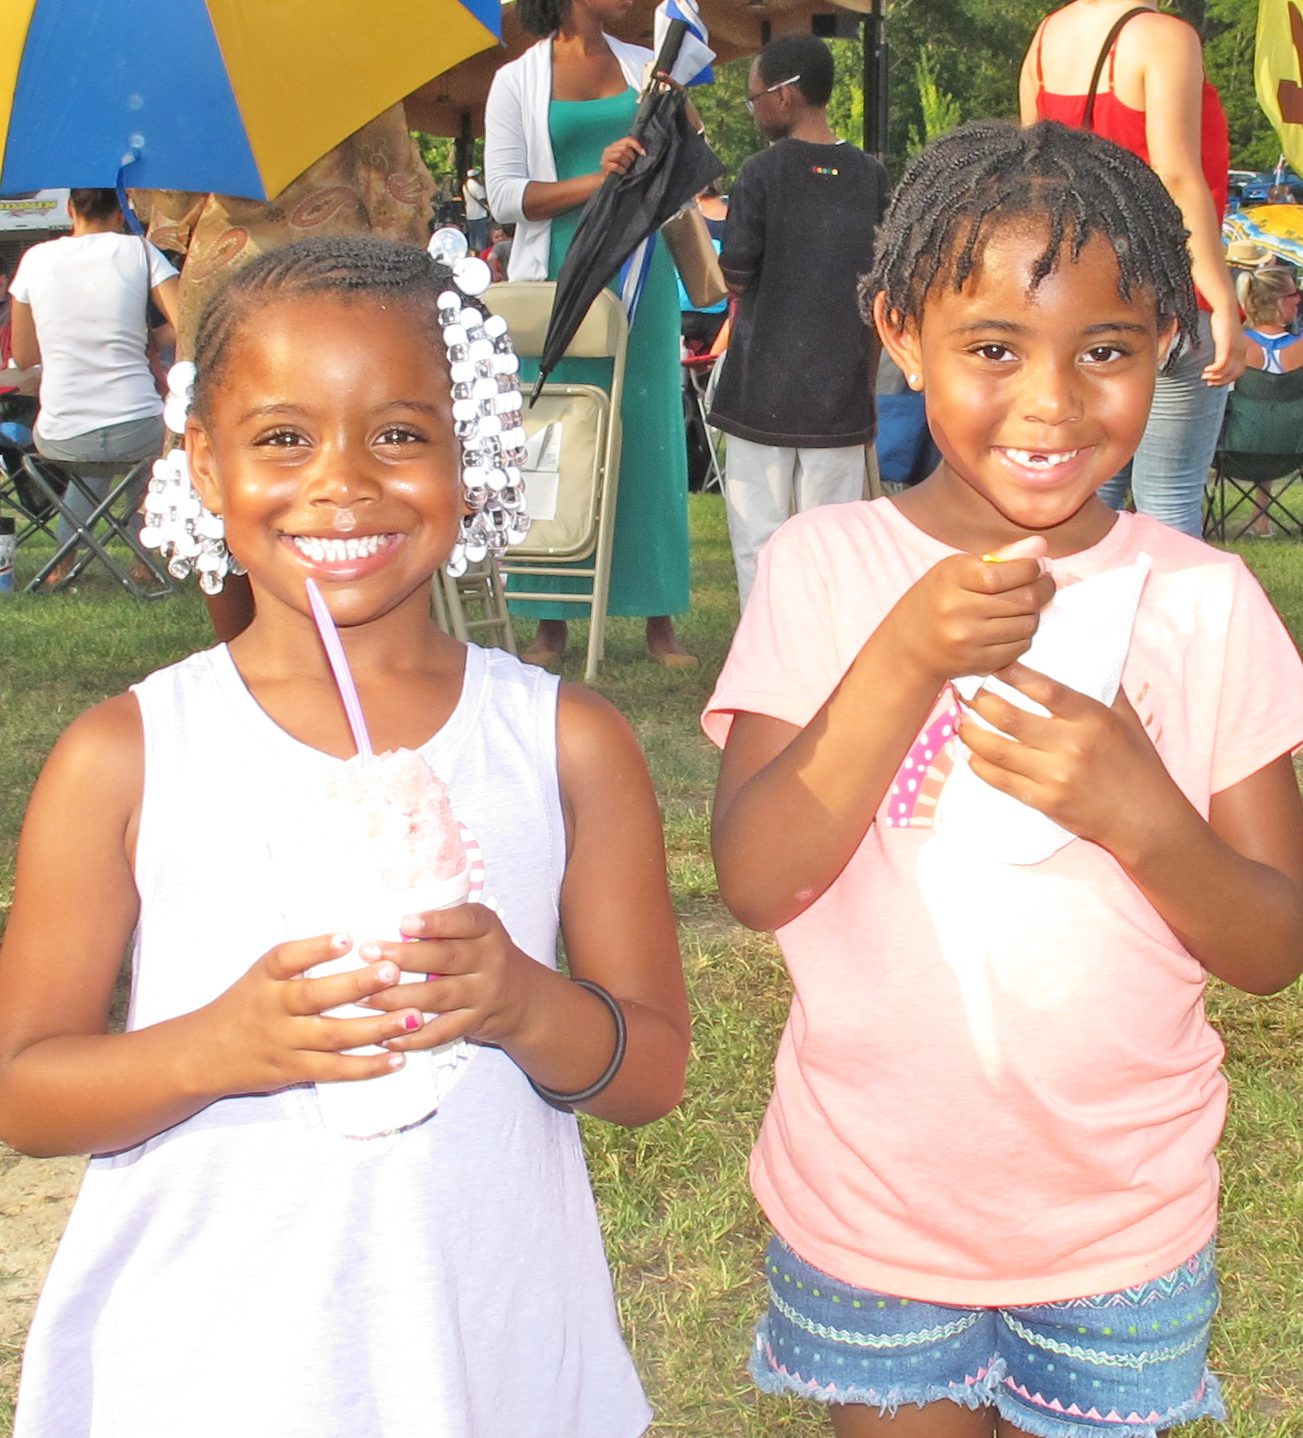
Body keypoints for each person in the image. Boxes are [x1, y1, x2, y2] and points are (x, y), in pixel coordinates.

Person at [0, 235, 690, 1437]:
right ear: (204, 464)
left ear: (471, 454)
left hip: (486, 1350)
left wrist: (522, 1002)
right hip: (209, 1374)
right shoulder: (126, 757)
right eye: (283, 437)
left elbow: (651, 1072)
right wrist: (220, 1046)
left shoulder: (566, 744)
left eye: (399, 434)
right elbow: (24, 1089)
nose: (344, 483)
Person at [704, 120, 1303, 1438]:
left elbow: (1270, 944)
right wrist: (902, 655)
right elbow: (755, 878)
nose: (1050, 401)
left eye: (1105, 350)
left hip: (1120, 1220)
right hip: (871, 1206)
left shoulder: (1204, 605)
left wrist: (1141, 813)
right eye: (992, 348)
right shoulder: (822, 569)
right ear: (900, 334)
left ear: (1164, 342)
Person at [137, 101, 436, 641]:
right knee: (378, 448)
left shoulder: (198, 73)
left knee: (235, 460)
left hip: (226, 273)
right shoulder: (349, 58)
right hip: (345, 275)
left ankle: (241, 654)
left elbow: (172, 203)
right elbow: (393, 182)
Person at [484, 0, 695, 667]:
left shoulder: (645, 66)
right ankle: (550, 618)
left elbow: (681, 174)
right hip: (558, 272)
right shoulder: (515, 80)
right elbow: (504, 197)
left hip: (642, 273)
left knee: (648, 430)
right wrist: (594, 180)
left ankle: (658, 616)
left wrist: (681, 118)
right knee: (556, 433)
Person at [1020, 0, 1244, 538]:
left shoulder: (1046, 38)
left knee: (1083, 496)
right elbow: (1177, 177)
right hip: (1167, 293)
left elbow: (1032, 179)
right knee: (1168, 495)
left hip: (1078, 301)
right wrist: (1221, 301)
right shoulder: (1165, 37)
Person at [709, 34, 890, 611]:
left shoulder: (761, 173)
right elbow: (884, 290)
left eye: (754, 97)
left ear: (784, 95)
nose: (754, 108)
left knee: (757, 540)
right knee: (831, 544)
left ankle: (761, 647)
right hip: (840, 391)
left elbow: (733, 276)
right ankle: (823, 650)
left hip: (760, 384)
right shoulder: (872, 177)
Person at [8, 188, 180, 587]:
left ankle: (64, 560)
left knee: (90, 461)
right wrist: (147, 341)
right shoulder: (140, 252)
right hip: (138, 428)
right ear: (121, 212)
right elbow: (185, 318)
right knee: (145, 457)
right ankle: (144, 558)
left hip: (62, 434)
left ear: (70, 210)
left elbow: (24, 354)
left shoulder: (35, 259)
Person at [1238, 265, 1303, 373]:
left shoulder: (1235, 346)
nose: (1299, 299)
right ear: (1280, 302)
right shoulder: (1299, 347)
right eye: (1295, 294)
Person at [463, 166, 491, 251]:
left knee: (472, 238)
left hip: (470, 215)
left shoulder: (465, 186)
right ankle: (480, 255)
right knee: (481, 239)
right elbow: (483, 200)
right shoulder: (477, 186)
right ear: (476, 176)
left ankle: (472, 254)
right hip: (479, 215)